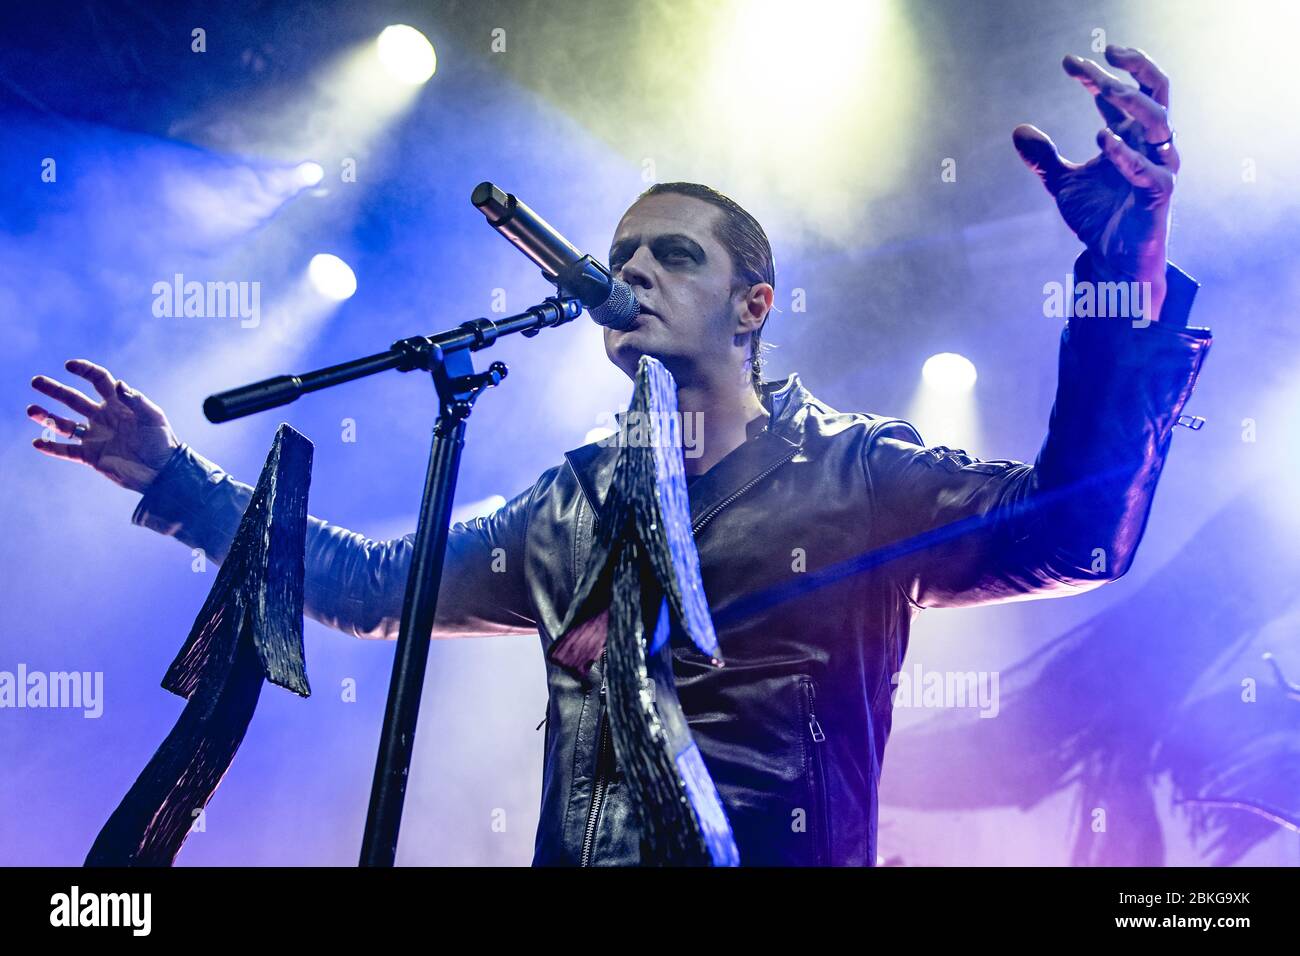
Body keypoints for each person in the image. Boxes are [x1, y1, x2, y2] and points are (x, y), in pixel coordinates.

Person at [27, 45, 1211, 866]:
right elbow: (363, 585)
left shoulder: (858, 474)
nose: (632, 271)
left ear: (753, 305)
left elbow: (1075, 533)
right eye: (622, 254)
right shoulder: (571, 504)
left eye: (673, 257)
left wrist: (1120, 275)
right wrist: (177, 479)